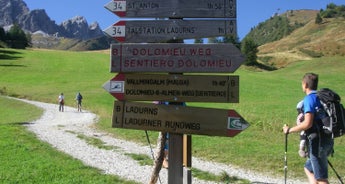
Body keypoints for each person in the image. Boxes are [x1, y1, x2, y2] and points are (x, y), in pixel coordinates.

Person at [283, 73, 334, 184]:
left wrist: (289, 130)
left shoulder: (309, 99)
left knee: (321, 178)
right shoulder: (321, 98)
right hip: (328, 139)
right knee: (309, 168)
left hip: (318, 142)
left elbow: (307, 124)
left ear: (305, 84)